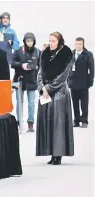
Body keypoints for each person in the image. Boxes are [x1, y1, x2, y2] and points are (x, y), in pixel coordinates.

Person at [36, 32, 74, 165]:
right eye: (50, 41)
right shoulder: (45, 54)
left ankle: (58, 154)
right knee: (48, 123)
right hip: (46, 93)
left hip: (59, 94)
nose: (51, 43)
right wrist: (42, 87)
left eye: (53, 41)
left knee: (58, 124)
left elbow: (63, 77)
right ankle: (51, 153)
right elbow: (40, 73)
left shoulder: (66, 55)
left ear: (59, 42)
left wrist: (49, 88)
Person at [11, 32, 41, 132]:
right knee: (19, 102)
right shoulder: (19, 51)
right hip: (20, 80)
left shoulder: (37, 52)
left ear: (34, 42)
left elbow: (42, 65)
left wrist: (36, 69)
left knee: (31, 103)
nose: (29, 43)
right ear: (24, 41)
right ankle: (19, 122)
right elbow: (12, 63)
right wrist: (21, 65)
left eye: (31, 41)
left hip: (32, 81)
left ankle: (31, 123)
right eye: (27, 41)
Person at [68, 37, 94, 128]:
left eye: (80, 44)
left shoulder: (87, 54)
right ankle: (76, 120)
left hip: (83, 83)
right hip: (73, 82)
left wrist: (90, 81)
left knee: (84, 103)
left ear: (83, 44)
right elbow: (67, 67)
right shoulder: (71, 53)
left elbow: (91, 69)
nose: (78, 46)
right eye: (77, 44)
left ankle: (84, 121)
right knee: (74, 103)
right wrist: (68, 80)